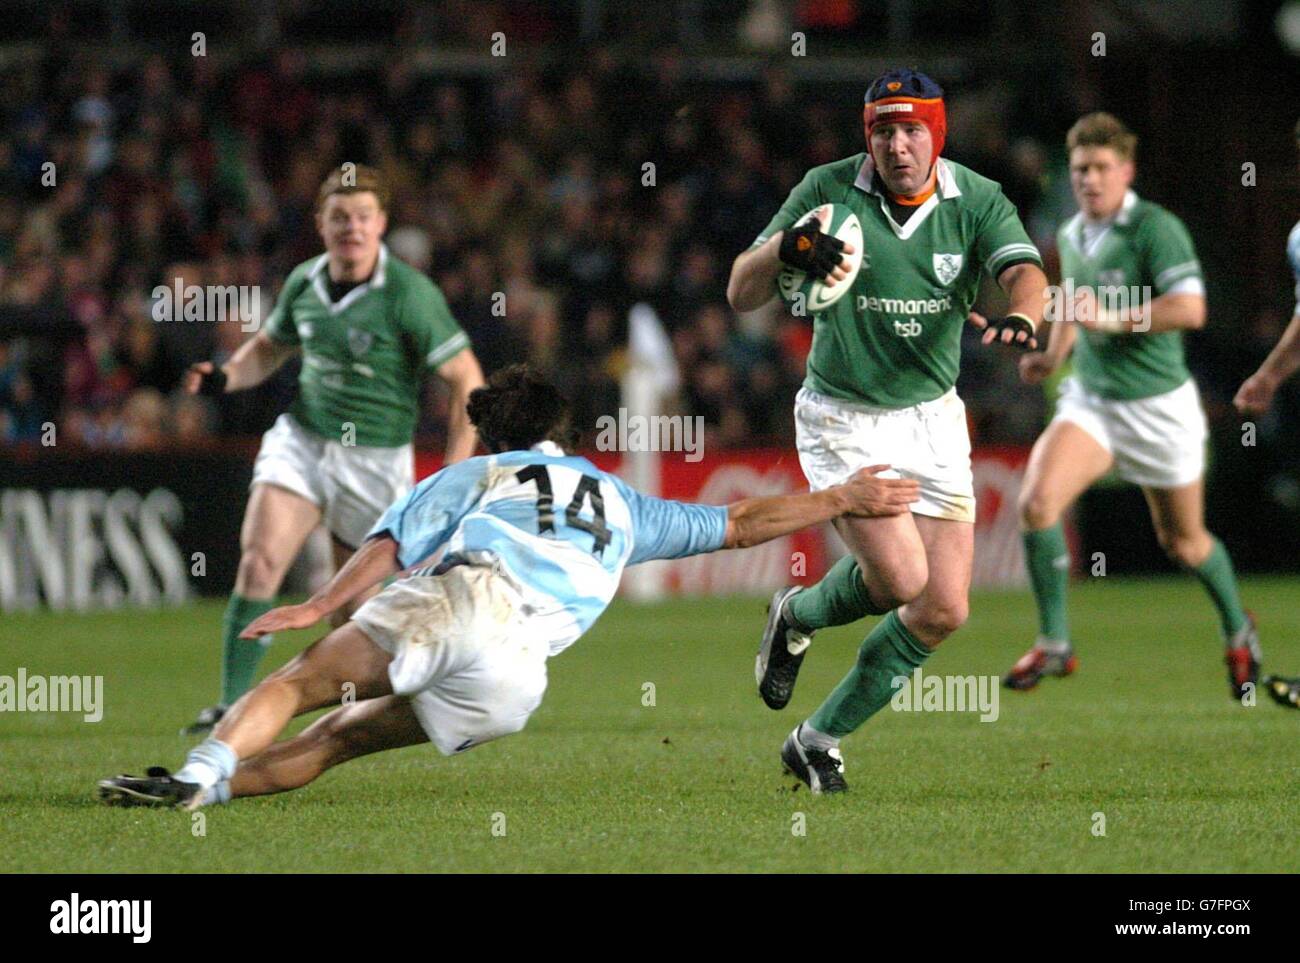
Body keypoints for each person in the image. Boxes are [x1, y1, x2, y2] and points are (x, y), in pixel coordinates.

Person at [96, 365, 920, 809]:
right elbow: (739, 522)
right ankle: (211, 790)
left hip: (462, 603)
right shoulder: (625, 503)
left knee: (296, 683)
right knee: (338, 740)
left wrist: (319, 606)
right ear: (567, 436)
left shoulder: (485, 468)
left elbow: (386, 543)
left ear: (499, 433)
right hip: (517, 681)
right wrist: (843, 497)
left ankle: (200, 774)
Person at [726, 67, 1047, 793]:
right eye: (882, 131)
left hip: (933, 417)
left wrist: (1026, 313)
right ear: (865, 136)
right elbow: (740, 290)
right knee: (901, 577)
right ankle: (799, 611)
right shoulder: (828, 190)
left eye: (911, 130)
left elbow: (1027, 273)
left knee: (943, 607)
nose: (896, 146)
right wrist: (784, 251)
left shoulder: (976, 199)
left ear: (937, 132)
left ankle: (816, 737)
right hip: (844, 416)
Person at [181, 164, 485, 735]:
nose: (352, 227)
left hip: (374, 461)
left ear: (382, 225)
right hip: (302, 441)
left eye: (363, 217)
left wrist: (455, 467)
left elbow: (467, 377)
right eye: (340, 217)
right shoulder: (304, 282)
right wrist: (224, 376)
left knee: (355, 615)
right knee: (260, 561)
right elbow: (269, 349)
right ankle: (230, 705)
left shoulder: (408, 294)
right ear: (321, 224)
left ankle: (362, 716)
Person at [1003, 113, 1260, 700]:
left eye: (1099, 168)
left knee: (1184, 543)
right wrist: (1052, 355)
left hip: (1158, 407)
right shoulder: (1071, 233)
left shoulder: (1155, 228)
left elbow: (1191, 309)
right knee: (1037, 504)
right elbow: (1073, 301)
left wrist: (1116, 318)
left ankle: (1238, 630)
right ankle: (1055, 643)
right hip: (1092, 401)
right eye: (1078, 170)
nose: (1088, 180)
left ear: (1126, 170)